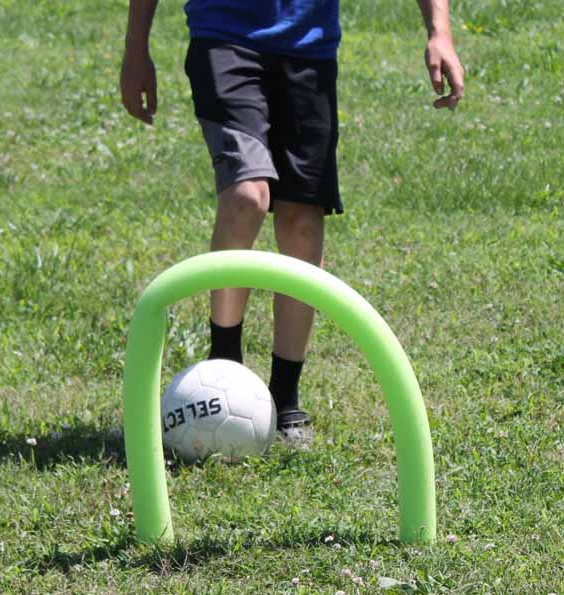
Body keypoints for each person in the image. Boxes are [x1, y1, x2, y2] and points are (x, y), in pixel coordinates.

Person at [121, 1, 464, 444]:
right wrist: (136, 50)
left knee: (302, 221)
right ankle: (225, 364)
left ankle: (285, 395)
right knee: (247, 196)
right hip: (224, 36)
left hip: (309, 49)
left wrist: (440, 32)